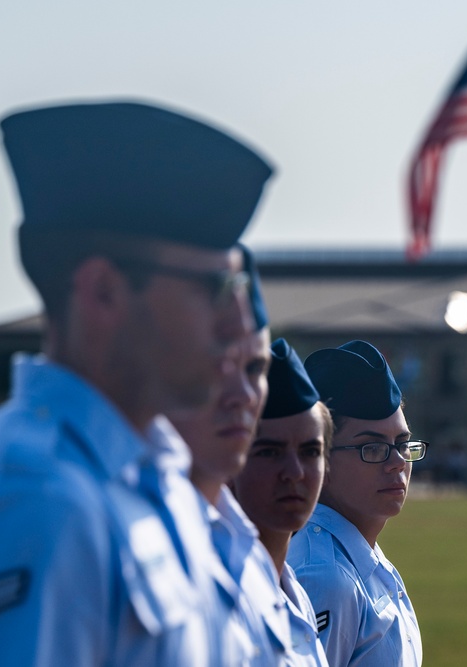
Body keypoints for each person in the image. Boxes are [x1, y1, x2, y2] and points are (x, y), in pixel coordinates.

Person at [0, 100, 273, 666]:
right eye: (214, 289)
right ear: (104, 291)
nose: (235, 327)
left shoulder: (158, 483)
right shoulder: (33, 504)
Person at [166, 247, 293, 666]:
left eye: (255, 370)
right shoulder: (111, 520)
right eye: (219, 365)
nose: (243, 395)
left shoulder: (245, 548)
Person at [287, 340, 426, 667]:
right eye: (373, 448)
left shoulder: (361, 556)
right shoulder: (322, 576)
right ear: (321, 457)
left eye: (403, 444)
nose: (397, 463)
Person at [234, 338, 333, 667]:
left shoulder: (295, 593)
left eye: (311, 452)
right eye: (269, 452)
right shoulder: (218, 590)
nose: (294, 472)